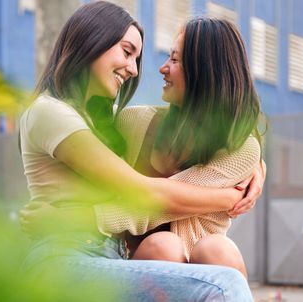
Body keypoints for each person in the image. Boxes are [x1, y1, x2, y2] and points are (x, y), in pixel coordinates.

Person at [19, 1, 258, 301]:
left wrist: (256, 168)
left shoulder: (101, 119)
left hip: (106, 257)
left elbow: (224, 134)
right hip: (64, 258)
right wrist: (231, 197)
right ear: (93, 40)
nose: (134, 69)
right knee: (222, 286)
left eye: (137, 57)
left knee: (211, 256)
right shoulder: (51, 113)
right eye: (127, 51)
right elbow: (145, 193)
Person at [91, 18, 265, 278]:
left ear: (205, 72)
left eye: (174, 60)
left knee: (216, 249)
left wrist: (88, 218)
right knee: (162, 247)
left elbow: (163, 200)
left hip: (201, 273)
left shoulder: (240, 149)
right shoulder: (132, 122)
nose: (163, 68)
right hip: (130, 269)